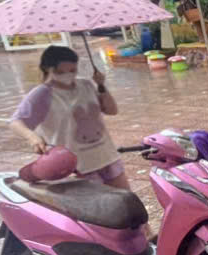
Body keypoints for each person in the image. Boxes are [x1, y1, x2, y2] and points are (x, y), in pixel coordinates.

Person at [9, 45, 130, 190]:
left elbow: (112, 110)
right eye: (60, 72)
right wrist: (32, 137)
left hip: (105, 156)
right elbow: (16, 122)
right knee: (97, 203)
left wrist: (101, 85)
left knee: (126, 200)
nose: (67, 75)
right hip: (75, 166)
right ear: (47, 69)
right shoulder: (41, 94)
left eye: (72, 70)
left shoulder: (86, 85)